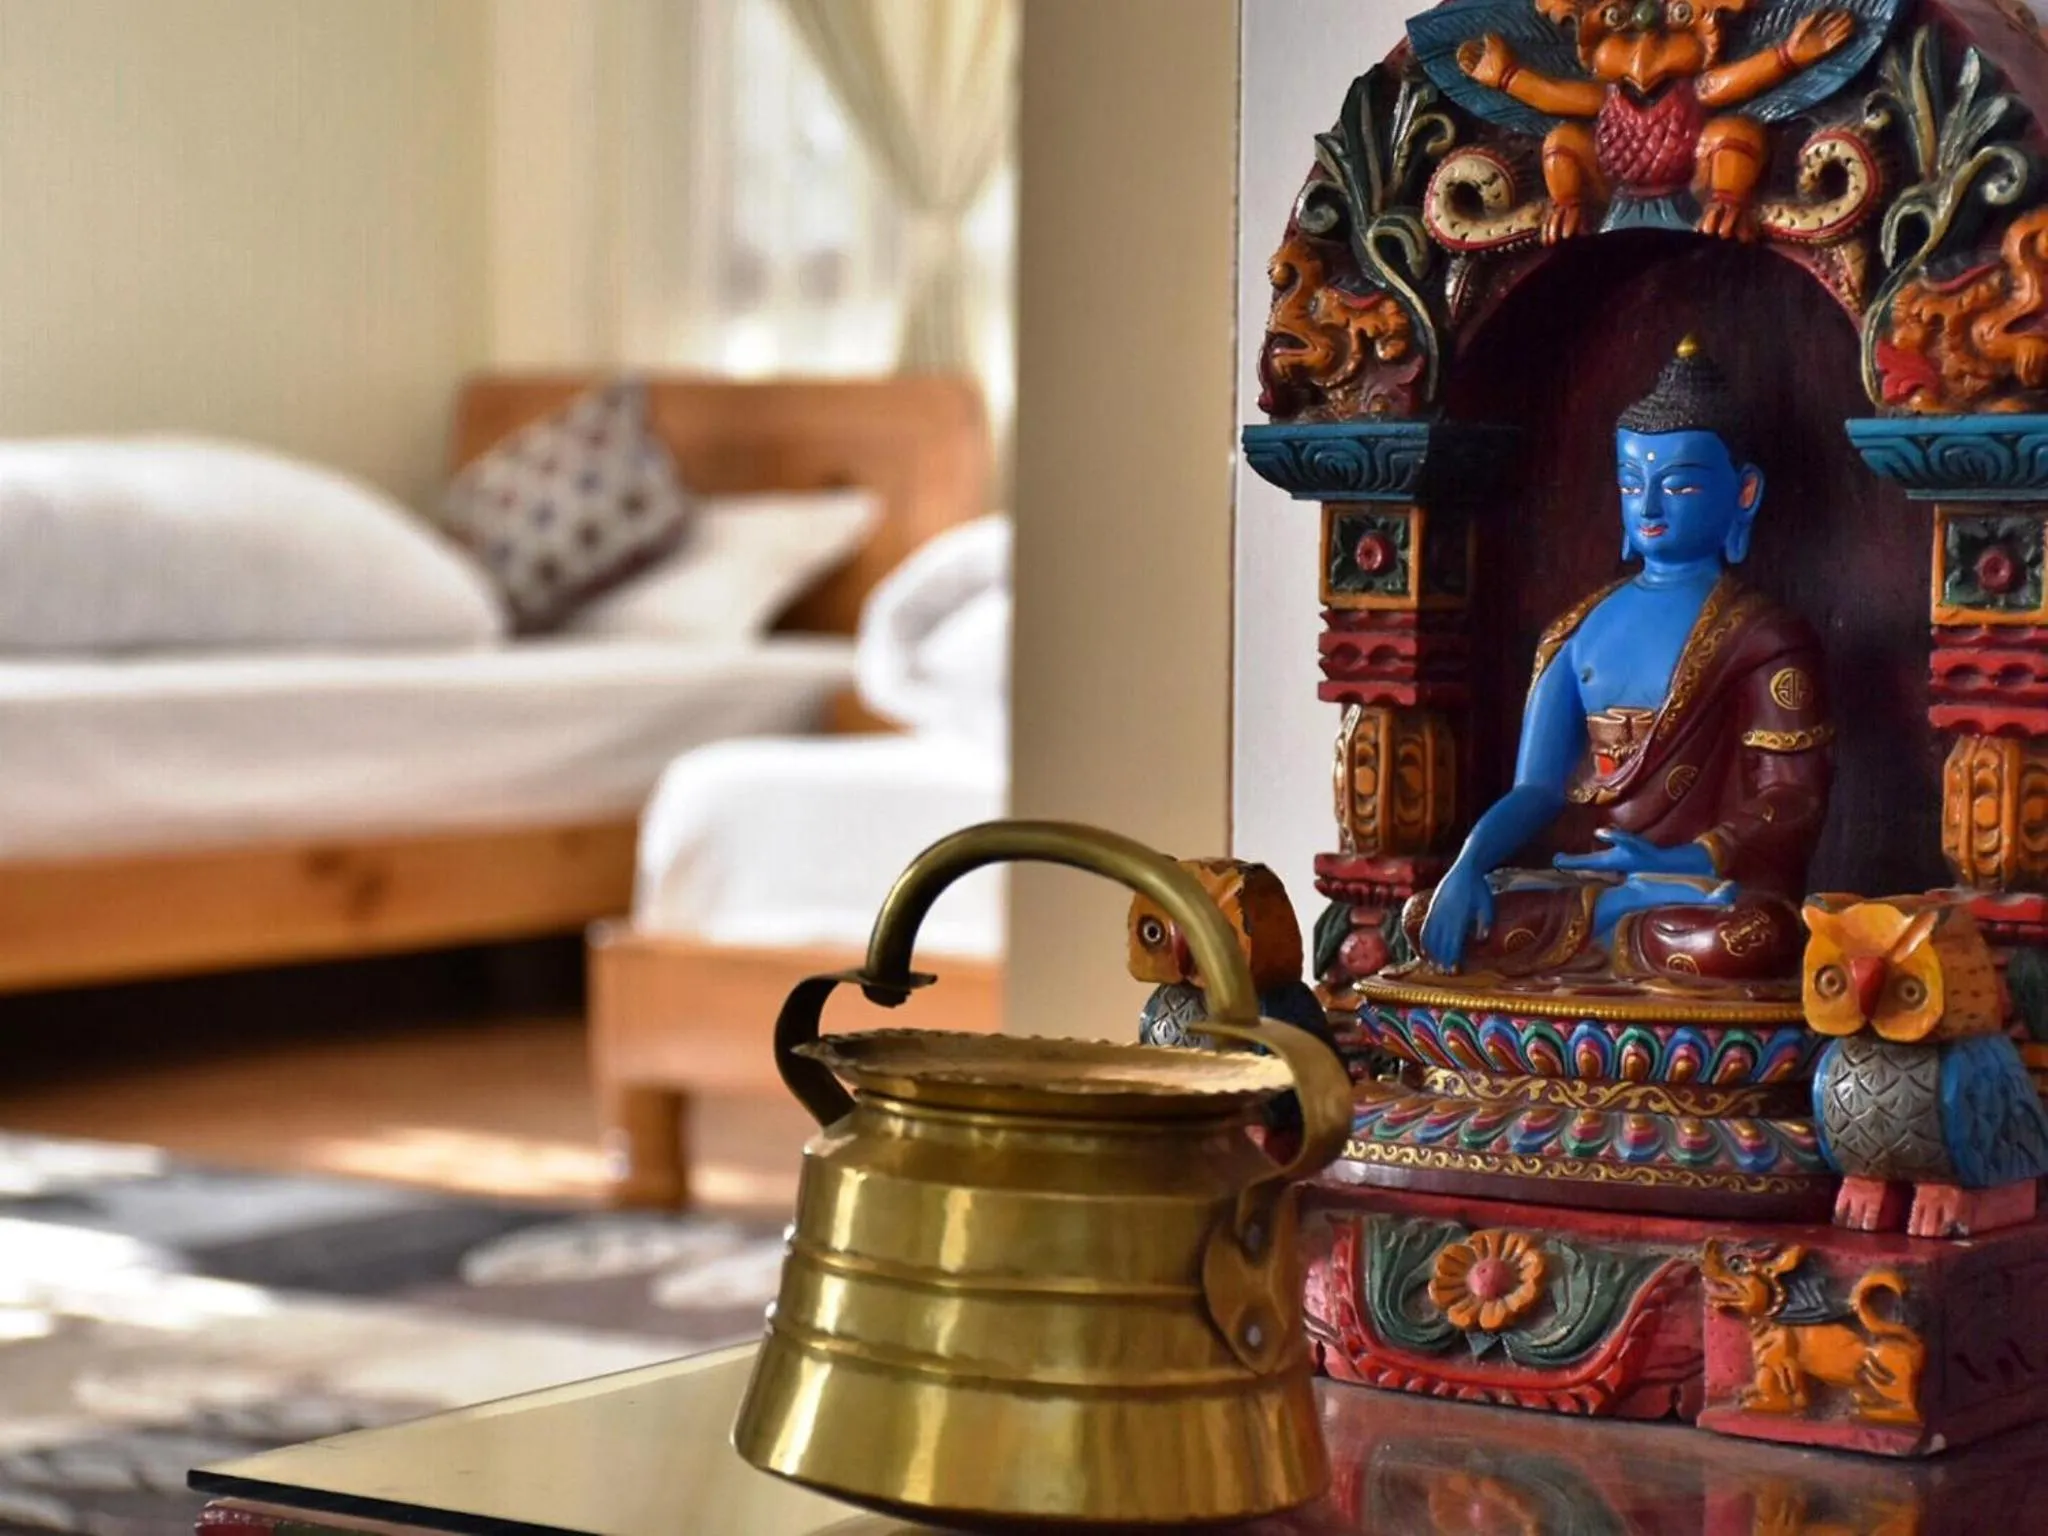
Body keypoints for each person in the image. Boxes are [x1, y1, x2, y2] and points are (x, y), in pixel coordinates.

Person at [1414, 335, 1832, 983]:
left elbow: (1792, 798)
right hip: (1588, 888)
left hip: (1700, 893)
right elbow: (1537, 788)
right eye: (1632, 482)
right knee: (1426, 917)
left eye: (1681, 485)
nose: (1650, 506)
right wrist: (1468, 864)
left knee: (1755, 939)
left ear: (1744, 492)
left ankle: (1629, 918)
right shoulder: (1575, 631)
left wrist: (1689, 860)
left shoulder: (1764, 636)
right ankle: (1615, 920)